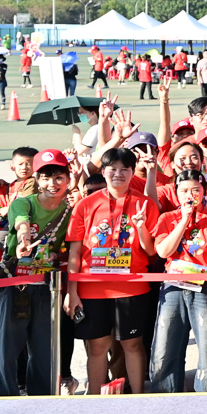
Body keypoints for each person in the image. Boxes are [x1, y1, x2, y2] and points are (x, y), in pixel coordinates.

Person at [65, 146, 160, 393]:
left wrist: (140, 227)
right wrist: (72, 292)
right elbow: (75, 252)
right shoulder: (85, 205)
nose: (118, 174)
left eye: (124, 169)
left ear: (132, 172)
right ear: (104, 171)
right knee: (97, 347)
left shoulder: (145, 204)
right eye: (112, 169)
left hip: (132, 287)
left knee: (133, 344)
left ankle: (138, 395)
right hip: (92, 288)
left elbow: (151, 250)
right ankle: (96, 397)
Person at [149, 168, 207, 393]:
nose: (190, 195)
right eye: (184, 190)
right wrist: (183, 220)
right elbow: (163, 251)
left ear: (204, 192)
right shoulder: (167, 218)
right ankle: (166, 394)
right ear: (176, 193)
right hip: (174, 286)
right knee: (165, 345)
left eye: (196, 190)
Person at [0, 148, 74, 396]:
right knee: (7, 347)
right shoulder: (24, 203)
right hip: (15, 282)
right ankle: (5, 397)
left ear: (68, 179)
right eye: (45, 177)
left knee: (44, 348)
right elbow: (21, 223)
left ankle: (42, 399)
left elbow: (69, 249)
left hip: (46, 284)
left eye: (58, 177)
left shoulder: (69, 211)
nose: (52, 183)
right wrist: (24, 240)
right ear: (36, 180)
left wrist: (55, 256)